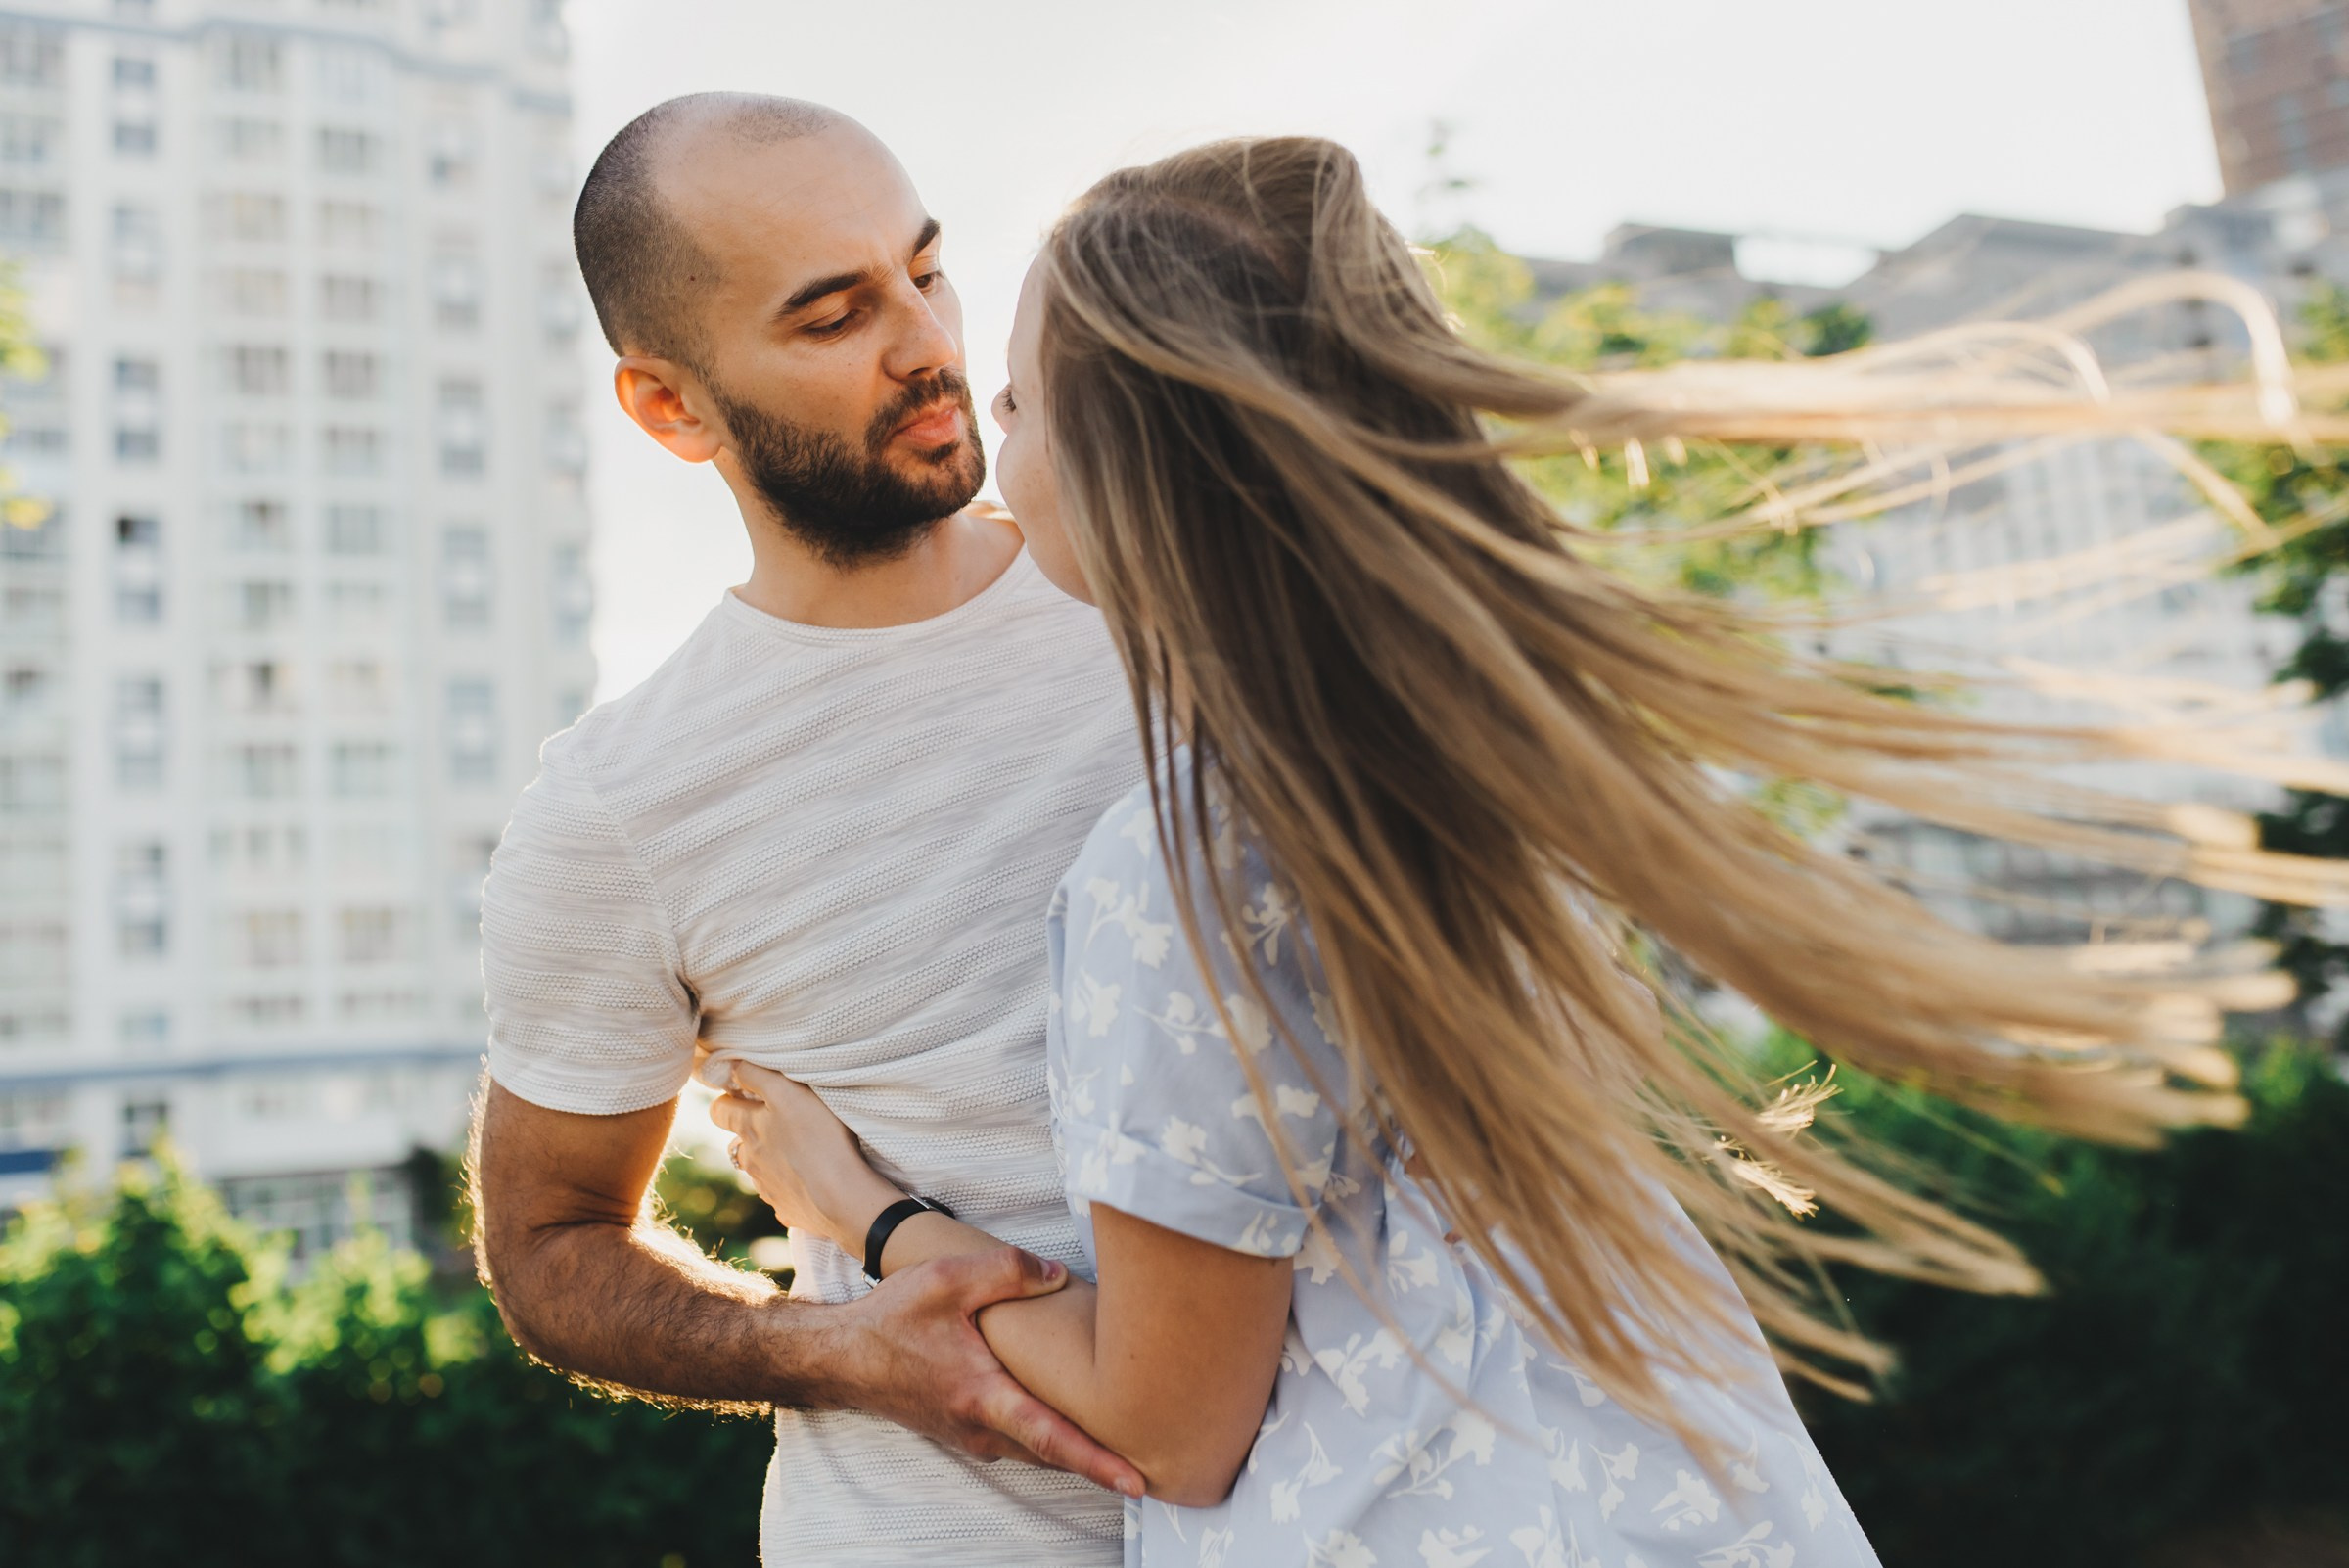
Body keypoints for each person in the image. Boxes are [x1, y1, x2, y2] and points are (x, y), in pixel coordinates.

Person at [713, 136, 2341, 1565]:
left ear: (1144, 462)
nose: (987, 435)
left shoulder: (1182, 867)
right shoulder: (1462, 760)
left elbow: (1171, 1414)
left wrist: (860, 1213)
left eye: (1021, 399)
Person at [470, 94, 1153, 1567]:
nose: (928, 343)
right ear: (669, 406)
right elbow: (546, 1250)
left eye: (927, 269)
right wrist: (837, 1348)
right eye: (837, 315)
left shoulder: (1170, 588)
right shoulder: (620, 805)